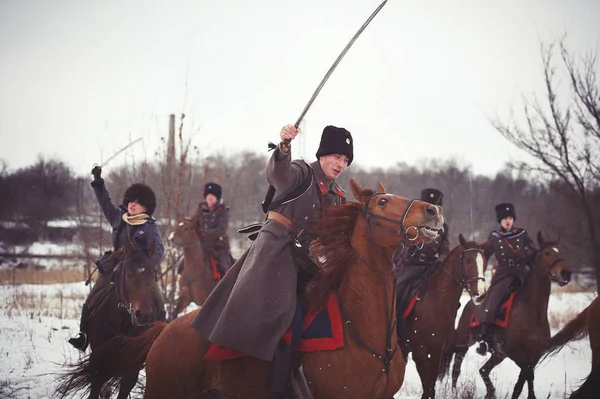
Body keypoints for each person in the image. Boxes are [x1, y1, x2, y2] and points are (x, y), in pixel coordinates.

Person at [191, 124, 353, 398]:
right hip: (277, 255)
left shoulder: (339, 197)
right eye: (337, 156)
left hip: (310, 265)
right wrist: (283, 148)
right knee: (287, 316)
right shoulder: (302, 173)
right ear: (323, 154)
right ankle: (276, 390)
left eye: (346, 160)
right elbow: (278, 174)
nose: (341, 164)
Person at [68, 166, 166, 352]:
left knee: (158, 301)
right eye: (131, 201)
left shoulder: (150, 226)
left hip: (139, 272)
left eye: (137, 202)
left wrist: (144, 264)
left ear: (146, 206)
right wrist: (98, 181)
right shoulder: (118, 217)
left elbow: (159, 250)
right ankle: (83, 335)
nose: (132, 204)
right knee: (94, 297)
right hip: (114, 267)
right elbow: (104, 201)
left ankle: (160, 337)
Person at [473, 202, 537, 356]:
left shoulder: (522, 234)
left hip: (522, 274)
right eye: (504, 219)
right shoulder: (495, 237)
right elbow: (485, 254)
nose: (508, 221)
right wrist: (476, 254)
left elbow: (534, 251)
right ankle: (485, 339)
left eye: (510, 218)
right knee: (492, 300)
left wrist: (526, 254)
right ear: (500, 221)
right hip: (503, 275)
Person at [393, 188, 450, 351]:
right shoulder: (414, 221)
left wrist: (439, 262)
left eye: (435, 205)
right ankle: (394, 324)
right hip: (411, 266)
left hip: (432, 267)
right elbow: (404, 243)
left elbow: (445, 249)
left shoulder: (443, 227)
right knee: (399, 288)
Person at [195, 182, 234, 277]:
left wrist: (207, 234)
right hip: (202, 244)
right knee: (185, 262)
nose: (210, 197)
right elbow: (196, 223)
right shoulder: (200, 209)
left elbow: (221, 228)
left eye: (212, 195)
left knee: (223, 263)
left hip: (218, 244)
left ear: (217, 197)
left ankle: (225, 283)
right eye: (208, 195)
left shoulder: (223, 210)